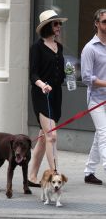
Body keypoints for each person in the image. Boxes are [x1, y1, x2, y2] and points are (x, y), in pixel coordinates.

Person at [28, 10, 68, 187]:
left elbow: (59, 74)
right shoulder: (37, 47)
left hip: (56, 96)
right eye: (55, 24)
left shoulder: (60, 48)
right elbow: (33, 73)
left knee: (44, 138)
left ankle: (30, 176)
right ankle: (55, 175)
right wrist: (42, 84)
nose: (59, 26)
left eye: (59, 24)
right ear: (47, 27)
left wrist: (68, 74)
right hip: (41, 95)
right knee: (51, 135)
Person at [81, 8, 106, 185]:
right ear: (96, 23)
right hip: (96, 100)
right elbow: (86, 78)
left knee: (100, 135)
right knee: (105, 134)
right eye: (104, 21)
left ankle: (89, 172)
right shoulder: (90, 49)